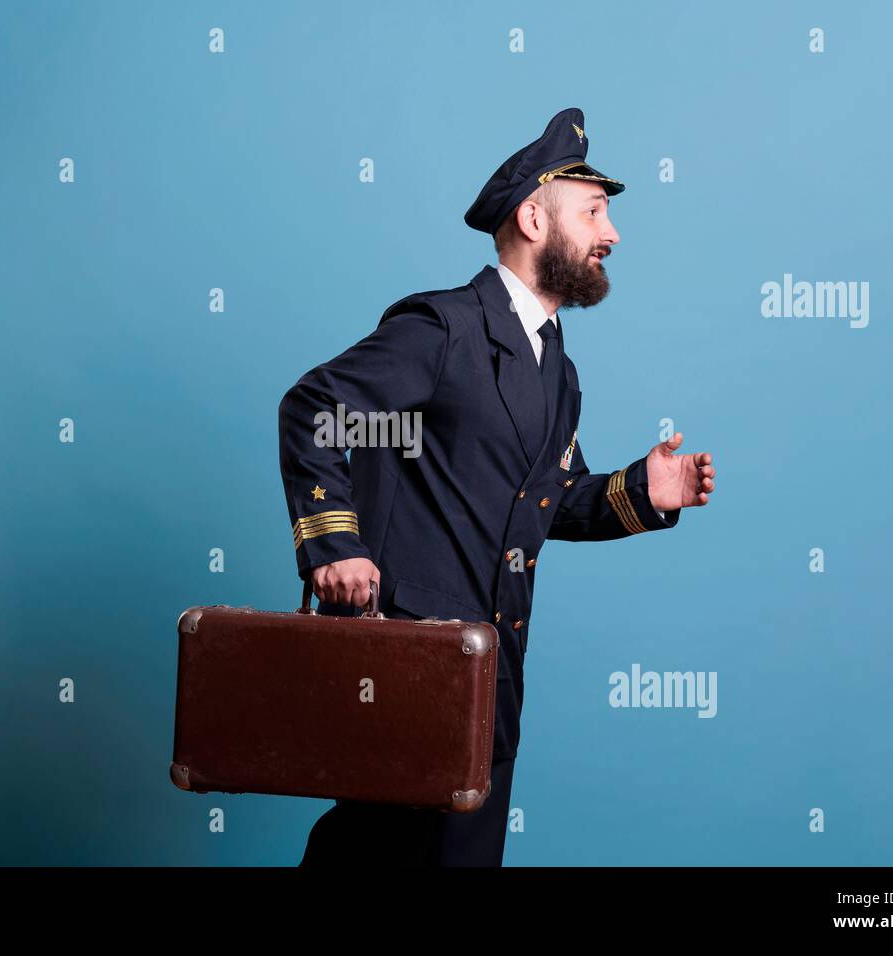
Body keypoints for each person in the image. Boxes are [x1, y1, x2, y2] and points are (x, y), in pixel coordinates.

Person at [277, 107, 717, 865]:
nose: (611, 235)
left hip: (490, 675)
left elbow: (549, 499)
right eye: (595, 212)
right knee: (374, 858)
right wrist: (336, 547)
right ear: (533, 218)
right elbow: (319, 413)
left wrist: (644, 491)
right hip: (406, 667)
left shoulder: (558, 368)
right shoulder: (444, 329)